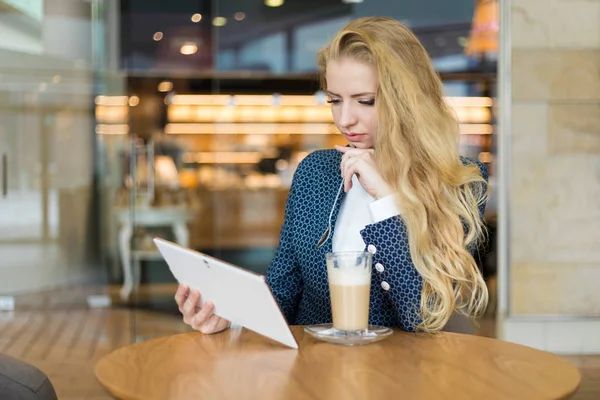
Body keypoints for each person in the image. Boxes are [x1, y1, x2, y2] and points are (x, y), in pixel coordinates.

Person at [175, 16, 489, 334]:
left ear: (408, 102)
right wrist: (230, 316)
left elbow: (425, 318)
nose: (345, 119)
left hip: (403, 379)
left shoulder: (460, 182)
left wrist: (386, 201)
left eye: (365, 101)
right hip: (313, 375)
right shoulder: (316, 172)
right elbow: (281, 293)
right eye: (335, 101)